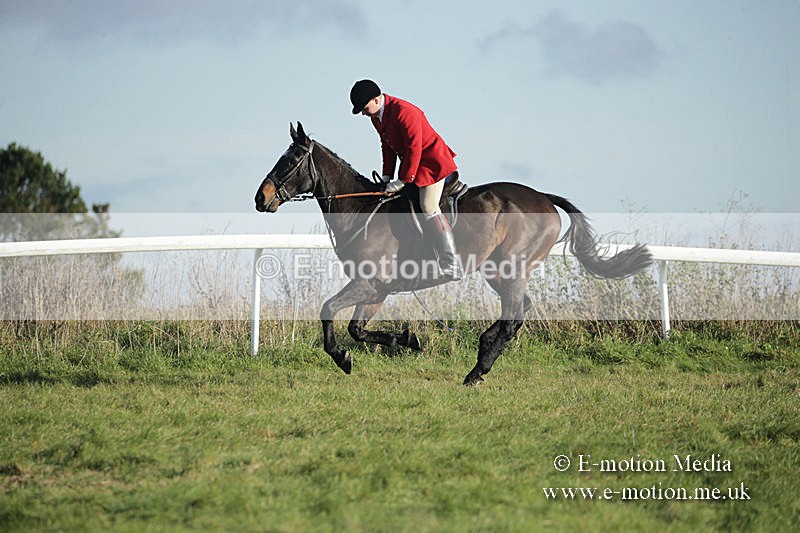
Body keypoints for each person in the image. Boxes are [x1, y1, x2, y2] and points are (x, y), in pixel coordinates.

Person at [349, 79, 462, 280]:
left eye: (365, 108)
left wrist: (402, 180)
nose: (364, 113)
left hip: (432, 164)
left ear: (376, 99)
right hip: (414, 164)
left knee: (428, 205)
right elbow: (387, 147)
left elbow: (414, 149)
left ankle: (451, 262)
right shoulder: (377, 116)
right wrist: (386, 176)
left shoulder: (404, 111)